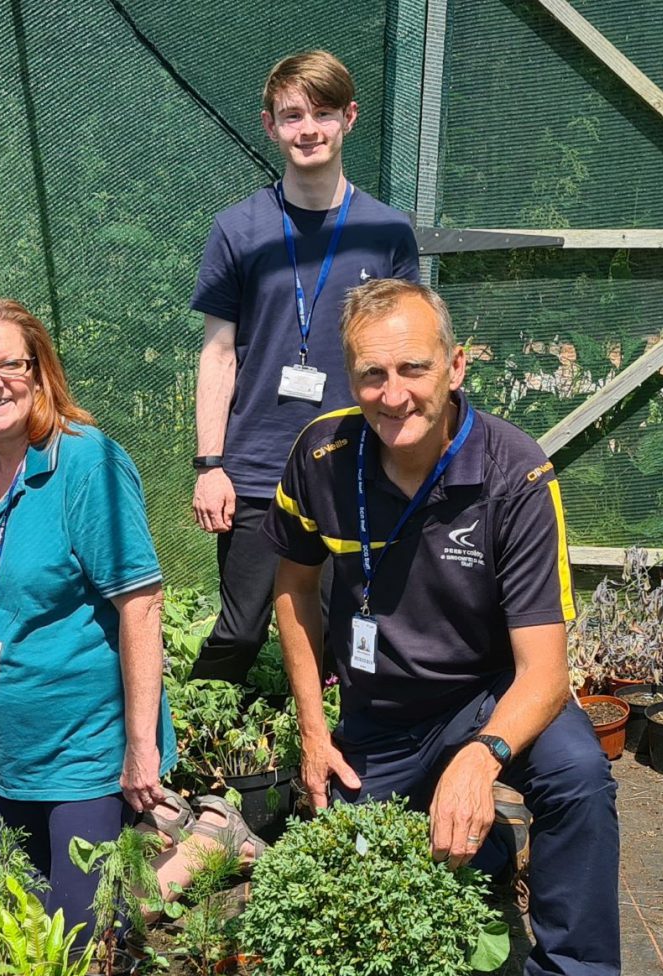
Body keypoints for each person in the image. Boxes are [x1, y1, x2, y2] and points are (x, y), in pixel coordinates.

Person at [265, 279, 640, 976]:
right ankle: (489, 855)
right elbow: (293, 588)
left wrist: (484, 753)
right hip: (383, 706)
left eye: (413, 368)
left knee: (581, 781)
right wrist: (314, 730)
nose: (393, 393)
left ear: (456, 366)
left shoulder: (514, 470)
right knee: (347, 864)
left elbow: (547, 669)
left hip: (493, 694)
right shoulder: (320, 458)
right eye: (370, 374)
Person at [0, 299, 172, 932]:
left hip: (84, 760)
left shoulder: (87, 464)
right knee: (1, 943)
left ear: (41, 372)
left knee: (76, 952)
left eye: (10, 365)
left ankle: (193, 854)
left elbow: (141, 605)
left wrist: (140, 747)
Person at [189, 50, 419, 685]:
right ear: (270, 125)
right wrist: (211, 466)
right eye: (292, 116)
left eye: (322, 113)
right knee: (239, 630)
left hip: (357, 463)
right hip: (257, 466)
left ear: (348, 118)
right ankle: (196, 760)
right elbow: (216, 353)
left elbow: (406, 358)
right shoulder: (239, 228)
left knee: (343, 634)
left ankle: (331, 767)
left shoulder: (387, 232)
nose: (308, 129)